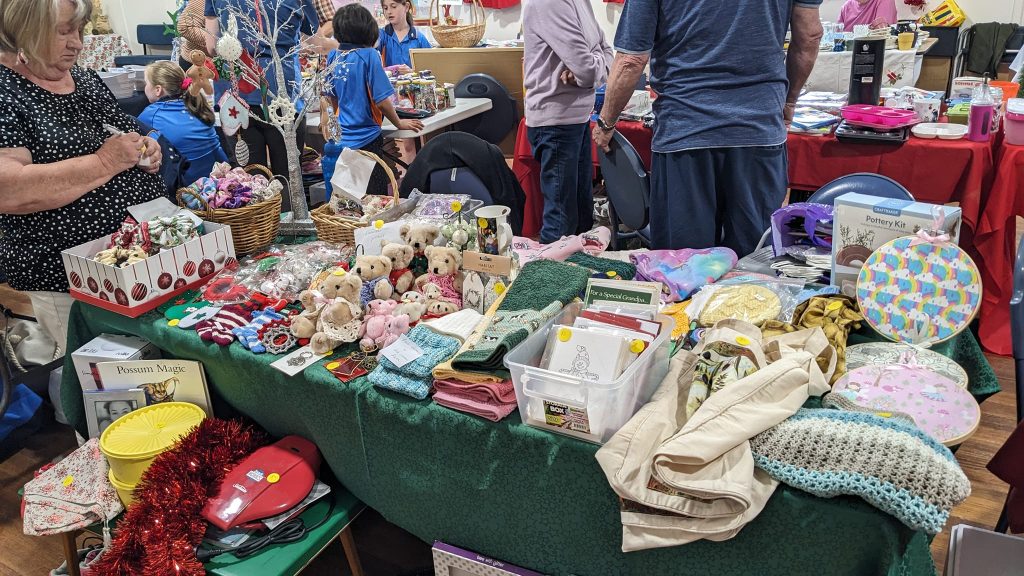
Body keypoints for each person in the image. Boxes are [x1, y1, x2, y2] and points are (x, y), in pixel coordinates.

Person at [594, 0, 823, 256]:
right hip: (757, 129)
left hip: (685, 132)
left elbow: (631, 60)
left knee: (683, 266)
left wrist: (606, 123)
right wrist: (789, 100)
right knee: (756, 265)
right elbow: (810, 36)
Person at [0, 0, 163, 349]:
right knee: (104, 383)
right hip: (71, 281)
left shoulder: (86, 80)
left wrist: (147, 148)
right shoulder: (6, 91)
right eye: (63, 31)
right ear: (23, 32)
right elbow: (8, 189)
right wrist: (106, 162)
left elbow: (126, 133)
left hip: (138, 263)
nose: (77, 42)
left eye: (80, 29)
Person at [524, 0, 612, 244]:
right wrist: (593, 66)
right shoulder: (550, 3)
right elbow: (586, 67)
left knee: (583, 217)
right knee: (562, 221)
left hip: (577, 117)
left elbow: (607, 53)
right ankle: (550, 280)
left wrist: (592, 66)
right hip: (555, 121)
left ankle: (578, 276)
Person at [204, 0, 319, 182]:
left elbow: (211, 46)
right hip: (282, 91)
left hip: (237, 94)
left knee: (251, 183)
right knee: (288, 180)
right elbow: (313, 35)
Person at [321, 4, 423, 197]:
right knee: (373, 198)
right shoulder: (369, 56)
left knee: (347, 199)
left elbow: (329, 95)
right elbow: (382, 101)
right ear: (367, 29)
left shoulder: (334, 55)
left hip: (342, 138)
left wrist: (333, 119)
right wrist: (399, 122)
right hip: (367, 138)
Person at [140, 61, 228, 185]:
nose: (145, 88)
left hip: (187, 189)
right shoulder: (196, 105)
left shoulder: (151, 114)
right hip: (218, 180)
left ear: (158, 89)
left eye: (146, 83)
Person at [379, 0, 431, 73]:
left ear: (406, 7)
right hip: (389, 84)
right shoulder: (381, 35)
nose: (389, 12)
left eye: (393, 6)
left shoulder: (419, 38)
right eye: (385, 8)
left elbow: (430, 70)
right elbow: (370, 61)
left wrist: (412, 73)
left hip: (413, 84)